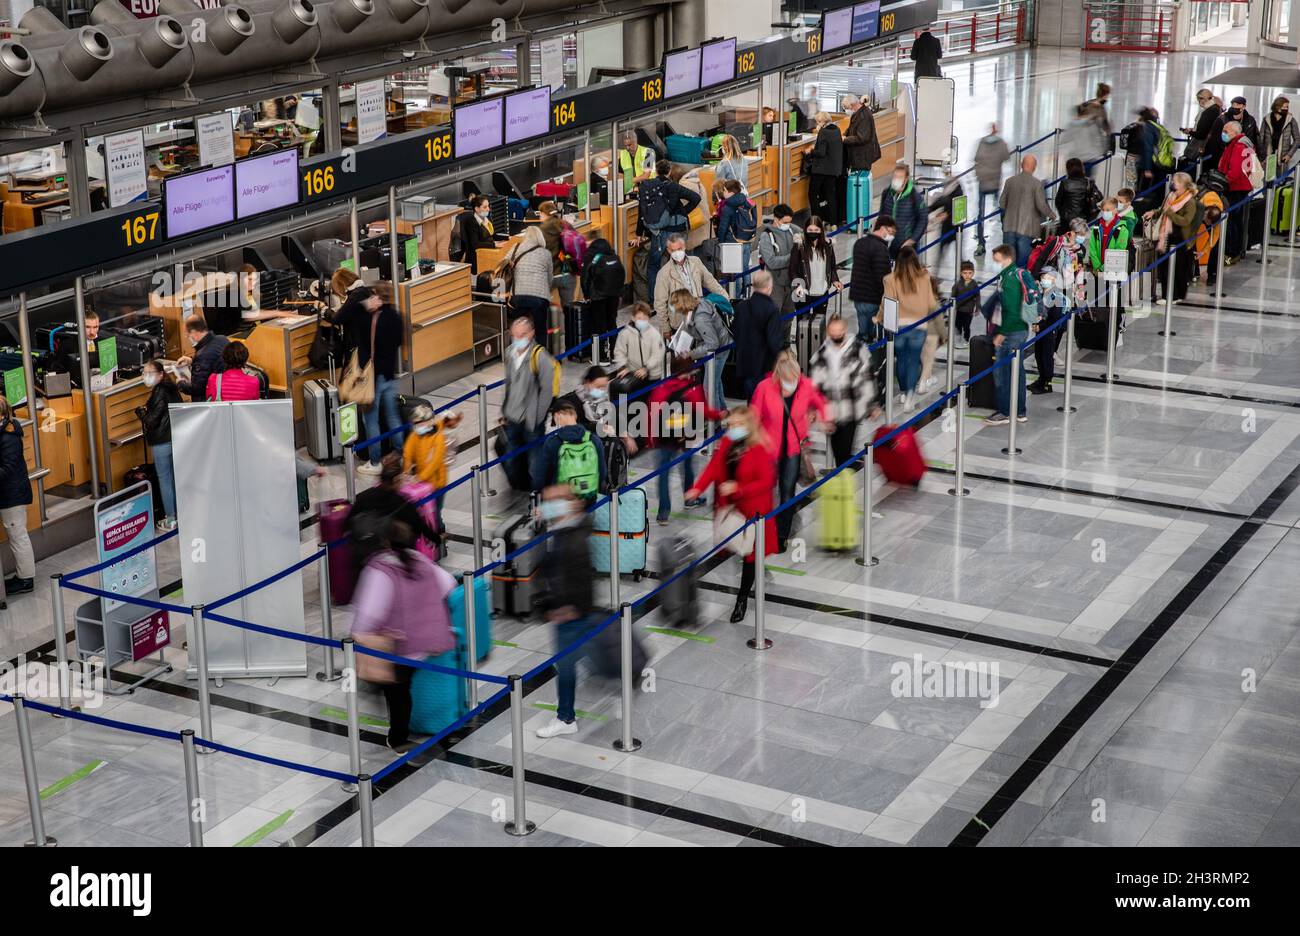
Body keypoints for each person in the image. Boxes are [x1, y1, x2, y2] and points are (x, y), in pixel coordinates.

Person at [348, 469, 456, 754]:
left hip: (396, 645)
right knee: (403, 688)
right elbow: (449, 584)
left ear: (384, 541)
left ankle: (396, 737)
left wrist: (355, 636)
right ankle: (404, 730)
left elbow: (369, 613)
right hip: (423, 643)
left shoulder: (380, 569)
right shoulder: (421, 560)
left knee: (395, 691)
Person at [684, 406, 776, 624]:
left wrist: (739, 488)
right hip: (732, 507)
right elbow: (715, 467)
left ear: (749, 426)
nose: (732, 429)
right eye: (730, 425)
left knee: (750, 555)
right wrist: (698, 487)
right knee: (737, 545)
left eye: (737, 425)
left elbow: (766, 482)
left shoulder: (759, 449)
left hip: (755, 510)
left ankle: (742, 598)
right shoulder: (727, 442)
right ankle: (750, 577)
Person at [534, 486, 598, 739]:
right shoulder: (565, 529)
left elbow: (577, 577)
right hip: (569, 608)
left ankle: (566, 717)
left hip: (570, 610)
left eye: (553, 501)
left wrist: (563, 608)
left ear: (570, 504)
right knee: (573, 660)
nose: (547, 505)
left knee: (567, 664)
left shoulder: (573, 537)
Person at [750, 353, 830, 551]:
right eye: (787, 380)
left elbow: (820, 401)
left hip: (793, 449)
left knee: (787, 493)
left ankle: (781, 535)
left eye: (794, 379)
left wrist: (822, 417)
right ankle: (760, 533)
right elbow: (753, 415)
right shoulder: (764, 388)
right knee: (764, 492)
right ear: (778, 376)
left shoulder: (806, 385)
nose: (791, 383)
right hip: (768, 450)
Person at [647, 355, 726, 524]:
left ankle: (663, 513)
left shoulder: (662, 387)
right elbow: (703, 410)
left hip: (664, 437)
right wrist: (719, 415)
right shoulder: (692, 388)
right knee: (688, 466)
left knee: (663, 474)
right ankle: (690, 497)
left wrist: (651, 438)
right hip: (686, 434)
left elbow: (651, 413)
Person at [334, 284, 404, 473]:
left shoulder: (369, 320)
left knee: (371, 421)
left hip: (372, 377)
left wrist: (361, 304)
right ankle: (402, 455)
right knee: (392, 416)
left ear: (377, 298)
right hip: (390, 373)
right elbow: (398, 341)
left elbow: (340, 318)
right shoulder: (396, 317)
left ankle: (375, 462)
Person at [346, 453, 442, 580]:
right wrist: (438, 539)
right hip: (395, 565)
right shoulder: (402, 504)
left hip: (363, 558)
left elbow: (348, 523)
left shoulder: (364, 497)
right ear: (396, 480)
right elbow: (421, 528)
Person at [500, 316, 559, 493]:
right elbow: (509, 383)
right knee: (511, 458)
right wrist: (505, 409)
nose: (518, 339)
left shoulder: (541, 357)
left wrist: (537, 418)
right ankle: (521, 488)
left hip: (532, 420)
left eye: (522, 335)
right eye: (515, 335)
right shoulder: (510, 353)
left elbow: (547, 392)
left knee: (536, 462)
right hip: (512, 417)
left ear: (532, 333)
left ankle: (537, 494)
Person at [982, 244, 1037, 427]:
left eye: (997, 260)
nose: (994, 264)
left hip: (1012, 331)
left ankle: (1005, 412)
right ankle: (1020, 411)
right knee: (1017, 371)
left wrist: (1002, 334)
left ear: (1007, 259)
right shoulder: (1007, 275)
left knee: (1003, 373)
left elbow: (1012, 310)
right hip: (1017, 329)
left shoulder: (1010, 280)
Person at [881, 245, 940, 411]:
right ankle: (910, 397)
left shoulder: (890, 279)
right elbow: (931, 302)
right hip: (919, 325)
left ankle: (903, 392)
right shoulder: (924, 279)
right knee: (913, 360)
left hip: (899, 325)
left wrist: (879, 317)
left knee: (900, 359)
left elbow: (888, 302)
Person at [809, 315, 872, 468]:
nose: (836, 335)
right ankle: (843, 471)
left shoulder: (858, 349)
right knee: (837, 448)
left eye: (839, 331)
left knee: (844, 447)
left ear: (845, 330)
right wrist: (814, 410)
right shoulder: (821, 354)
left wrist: (870, 403)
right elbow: (814, 385)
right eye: (833, 332)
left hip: (851, 408)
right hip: (830, 409)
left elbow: (867, 377)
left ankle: (843, 472)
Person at [639, 160, 702, 296]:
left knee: (654, 264)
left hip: (659, 231)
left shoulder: (648, 186)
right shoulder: (674, 186)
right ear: (669, 172)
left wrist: (640, 232)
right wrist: (683, 211)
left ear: (656, 171)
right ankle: (683, 295)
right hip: (677, 228)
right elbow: (696, 198)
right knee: (680, 262)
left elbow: (642, 210)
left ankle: (654, 299)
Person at [666, 289, 732, 409]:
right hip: (713, 346)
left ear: (682, 304)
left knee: (709, 387)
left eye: (674, 304)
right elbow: (689, 328)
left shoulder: (701, 318)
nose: (672, 307)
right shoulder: (693, 307)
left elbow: (713, 344)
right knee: (715, 383)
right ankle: (722, 412)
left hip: (719, 351)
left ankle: (715, 423)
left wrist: (691, 354)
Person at [137, 360, 182, 532]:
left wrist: (141, 413)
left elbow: (151, 421)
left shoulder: (159, 392)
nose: (146, 377)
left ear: (161, 374)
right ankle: (181, 513)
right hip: (176, 437)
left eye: (150, 373)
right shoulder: (172, 388)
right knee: (175, 478)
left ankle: (171, 518)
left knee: (165, 479)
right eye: (144, 372)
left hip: (162, 441)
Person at [1145, 171, 1199, 305]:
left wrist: (1169, 213)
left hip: (1180, 239)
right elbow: (1163, 209)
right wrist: (1155, 212)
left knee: (1177, 268)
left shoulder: (1190, 201)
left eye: (1176, 181)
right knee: (1166, 267)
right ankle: (1169, 294)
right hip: (1167, 236)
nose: (1173, 183)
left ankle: (1173, 296)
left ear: (1183, 184)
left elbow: (1186, 221)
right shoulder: (1171, 196)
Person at [0, 396, 34, 595]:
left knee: (17, 535)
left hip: (12, 495)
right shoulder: (6, 431)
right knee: (16, 534)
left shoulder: (8, 436)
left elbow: (8, 468)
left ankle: (26, 579)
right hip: (8, 493)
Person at [733, 270, 785, 401]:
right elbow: (774, 342)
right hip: (764, 368)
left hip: (745, 365)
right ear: (769, 287)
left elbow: (735, 332)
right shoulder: (771, 309)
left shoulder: (741, 307)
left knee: (752, 405)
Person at [540, 401, 605, 501]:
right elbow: (602, 472)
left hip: (562, 502)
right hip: (589, 497)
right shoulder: (594, 440)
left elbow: (543, 476)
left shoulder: (552, 443)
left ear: (557, 416)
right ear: (575, 415)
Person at [402, 401, 462, 509]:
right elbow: (407, 454)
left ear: (428, 422)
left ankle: (440, 526)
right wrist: (407, 471)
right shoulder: (415, 435)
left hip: (437, 483)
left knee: (436, 514)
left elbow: (435, 462)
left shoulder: (438, 438)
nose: (416, 426)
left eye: (419, 423)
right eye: (415, 423)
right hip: (422, 484)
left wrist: (419, 478)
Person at [498, 224, 553, 339]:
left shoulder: (516, 247)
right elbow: (549, 279)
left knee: (519, 329)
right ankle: (538, 354)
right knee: (540, 330)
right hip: (539, 297)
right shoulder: (545, 253)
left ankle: (518, 352)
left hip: (519, 295)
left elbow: (503, 263)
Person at [999, 154, 1055, 267]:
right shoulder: (1037, 184)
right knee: (1023, 264)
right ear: (1034, 167)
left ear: (1021, 165)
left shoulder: (1010, 181)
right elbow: (1041, 205)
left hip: (1009, 227)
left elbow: (1002, 203)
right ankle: (1020, 284)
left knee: (1008, 264)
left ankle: (1009, 284)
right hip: (1027, 230)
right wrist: (1052, 215)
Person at [653, 232, 724, 318]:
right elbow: (660, 304)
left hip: (699, 314)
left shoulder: (696, 261)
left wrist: (725, 298)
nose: (677, 253)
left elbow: (711, 282)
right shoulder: (663, 273)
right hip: (679, 320)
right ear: (668, 250)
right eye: (673, 250)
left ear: (684, 247)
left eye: (679, 249)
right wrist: (665, 329)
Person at [850, 214, 896, 342]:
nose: (891, 235)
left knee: (863, 332)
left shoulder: (859, 243)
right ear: (883, 228)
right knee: (874, 335)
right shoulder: (881, 249)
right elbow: (882, 277)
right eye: (891, 231)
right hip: (873, 298)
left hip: (858, 296)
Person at [1218, 120, 1259, 263]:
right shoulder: (1243, 143)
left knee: (1231, 221)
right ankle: (1237, 250)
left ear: (1235, 133)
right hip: (1241, 187)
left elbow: (1235, 171)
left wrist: (1222, 182)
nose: (1223, 134)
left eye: (1226, 131)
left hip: (1235, 188)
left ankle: (1232, 252)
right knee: (1236, 220)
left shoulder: (1238, 146)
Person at [788, 214, 842, 320]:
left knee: (819, 325)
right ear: (805, 230)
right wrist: (798, 285)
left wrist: (835, 280)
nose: (813, 232)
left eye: (816, 230)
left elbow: (832, 266)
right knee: (802, 325)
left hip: (822, 291)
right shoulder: (799, 245)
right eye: (810, 229)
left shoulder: (828, 246)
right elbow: (792, 269)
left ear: (821, 230)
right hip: (802, 291)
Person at [579, 237, 625, 359]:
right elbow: (621, 276)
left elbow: (584, 278)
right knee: (612, 323)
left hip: (598, 296)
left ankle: (602, 357)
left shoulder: (591, 257)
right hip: (614, 295)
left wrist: (587, 295)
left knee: (599, 326)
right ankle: (613, 353)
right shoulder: (614, 256)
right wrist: (620, 293)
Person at [841, 94, 881, 226]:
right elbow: (852, 129)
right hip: (860, 155)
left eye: (846, 108)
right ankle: (858, 218)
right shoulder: (859, 113)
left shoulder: (863, 116)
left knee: (858, 183)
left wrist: (845, 139)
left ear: (852, 105)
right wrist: (844, 134)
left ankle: (858, 219)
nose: (846, 110)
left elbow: (861, 137)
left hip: (862, 156)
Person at [974, 123, 1012, 256]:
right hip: (995, 182)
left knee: (981, 214)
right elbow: (1007, 157)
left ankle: (980, 242)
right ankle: (1006, 240)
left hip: (982, 182)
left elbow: (976, 158)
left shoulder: (982, 143)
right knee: (1002, 211)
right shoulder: (1001, 143)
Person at [175, 314, 229, 403]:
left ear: (194, 333)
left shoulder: (203, 355)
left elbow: (197, 388)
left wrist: (180, 383)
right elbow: (213, 362)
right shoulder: (222, 339)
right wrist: (192, 361)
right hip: (227, 391)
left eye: (188, 335)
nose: (188, 338)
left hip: (211, 400)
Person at [758, 203, 801, 313]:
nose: (788, 225)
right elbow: (771, 262)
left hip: (792, 283)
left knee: (789, 317)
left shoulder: (792, 229)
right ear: (776, 219)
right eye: (785, 222)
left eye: (790, 222)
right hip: (775, 285)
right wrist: (793, 258)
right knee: (774, 317)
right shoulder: (766, 236)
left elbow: (807, 233)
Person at [878, 164, 927, 259]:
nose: (896, 180)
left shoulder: (914, 197)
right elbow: (881, 215)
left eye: (900, 177)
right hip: (888, 243)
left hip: (906, 246)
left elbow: (923, 219)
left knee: (906, 272)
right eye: (895, 176)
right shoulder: (887, 193)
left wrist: (912, 240)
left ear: (906, 179)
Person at [717, 178, 758, 290]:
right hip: (747, 239)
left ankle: (737, 297)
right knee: (745, 268)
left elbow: (723, 227)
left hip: (733, 241)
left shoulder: (728, 207)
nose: (723, 193)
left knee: (736, 271)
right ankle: (748, 292)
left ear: (731, 192)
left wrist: (720, 242)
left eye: (725, 190)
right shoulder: (747, 201)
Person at [537, 200, 578, 310]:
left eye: (540, 213)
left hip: (550, 275)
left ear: (544, 213)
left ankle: (550, 326)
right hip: (568, 273)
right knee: (569, 309)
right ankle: (569, 327)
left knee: (542, 306)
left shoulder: (541, 230)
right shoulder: (566, 224)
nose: (539, 216)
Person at [612, 302, 666, 383]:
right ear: (633, 318)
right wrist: (622, 367)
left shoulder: (654, 334)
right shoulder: (625, 333)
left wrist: (646, 368)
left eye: (645, 318)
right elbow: (619, 351)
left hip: (653, 376)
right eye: (639, 318)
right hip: (633, 375)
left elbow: (658, 354)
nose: (642, 321)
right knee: (625, 394)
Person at [808, 111, 844, 227]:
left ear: (822, 122)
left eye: (818, 121)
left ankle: (817, 222)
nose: (817, 124)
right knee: (830, 196)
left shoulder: (823, 132)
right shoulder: (837, 130)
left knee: (813, 194)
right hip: (833, 170)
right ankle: (833, 222)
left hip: (821, 170)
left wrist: (811, 151)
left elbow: (822, 152)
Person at [1054, 157, 1102, 233]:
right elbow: (1099, 197)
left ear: (1068, 169)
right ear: (1081, 168)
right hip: (1083, 219)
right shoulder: (1089, 182)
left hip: (1067, 220)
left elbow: (1058, 201)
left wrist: (1063, 215)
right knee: (1079, 239)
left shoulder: (1065, 183)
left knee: (1065, 239)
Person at [453, 194, 497, 276]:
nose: (488, 209)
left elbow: (492, 234)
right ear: (477, 209)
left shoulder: (487, 219)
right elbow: (475, 244)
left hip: (487, 250)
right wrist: (494, 244)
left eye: (488, 206)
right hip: (476, 257)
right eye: (485, 207)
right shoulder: (471, 223)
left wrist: (508, 237)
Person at [1062, 103, 1108, 179]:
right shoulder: (1093, 124)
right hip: (1089, 158)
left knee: (1073, 181)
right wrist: (1102, 151)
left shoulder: (1072, 125)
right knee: (1087, 182)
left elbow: (1064, 139)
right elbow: (1100, 139)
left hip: (1076, 159)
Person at [1182, 89, 1222, 173]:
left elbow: (1201, 134)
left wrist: (1190, 132)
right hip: (1211, 148)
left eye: (1199, 99)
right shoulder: (1217, 109)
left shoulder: (1209, 111)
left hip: (1203, 147)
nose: (1199, 102)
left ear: (1204, 98)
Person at [1261, 96, 1300, 172]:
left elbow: (1297, 140)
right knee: (1267, 181)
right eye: (1284, 107)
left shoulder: (1291, 120)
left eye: (1287, 107)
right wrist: (1261, 156)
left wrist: (1289, 154)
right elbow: (1261, 138)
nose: (1285, 109)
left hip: (1283, 159)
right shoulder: (1266, 119)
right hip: (1268, 157)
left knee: (1281, 182)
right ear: (1277, 107)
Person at [617, 130, 655, 197]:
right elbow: (620, 175)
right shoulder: (623, 154)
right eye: (625, 145)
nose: (627, 148)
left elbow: (646, 176)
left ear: (636, 141)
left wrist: (628, 181)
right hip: (630, 191)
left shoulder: (648, 152)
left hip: (648, 189)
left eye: (629, 145)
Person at [952, 260, 980, 347]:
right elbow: (953, 295)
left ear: (973, 273)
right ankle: (958, 339)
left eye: (970, 273)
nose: (967, 275)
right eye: (965, 273)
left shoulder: (974, 284)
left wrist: (977, 308)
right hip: (959, 309)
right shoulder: (957, 284)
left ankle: (966, 340)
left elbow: (977, 297)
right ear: (961, 273)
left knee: (966, 326)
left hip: (969, 310)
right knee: (958, 325)